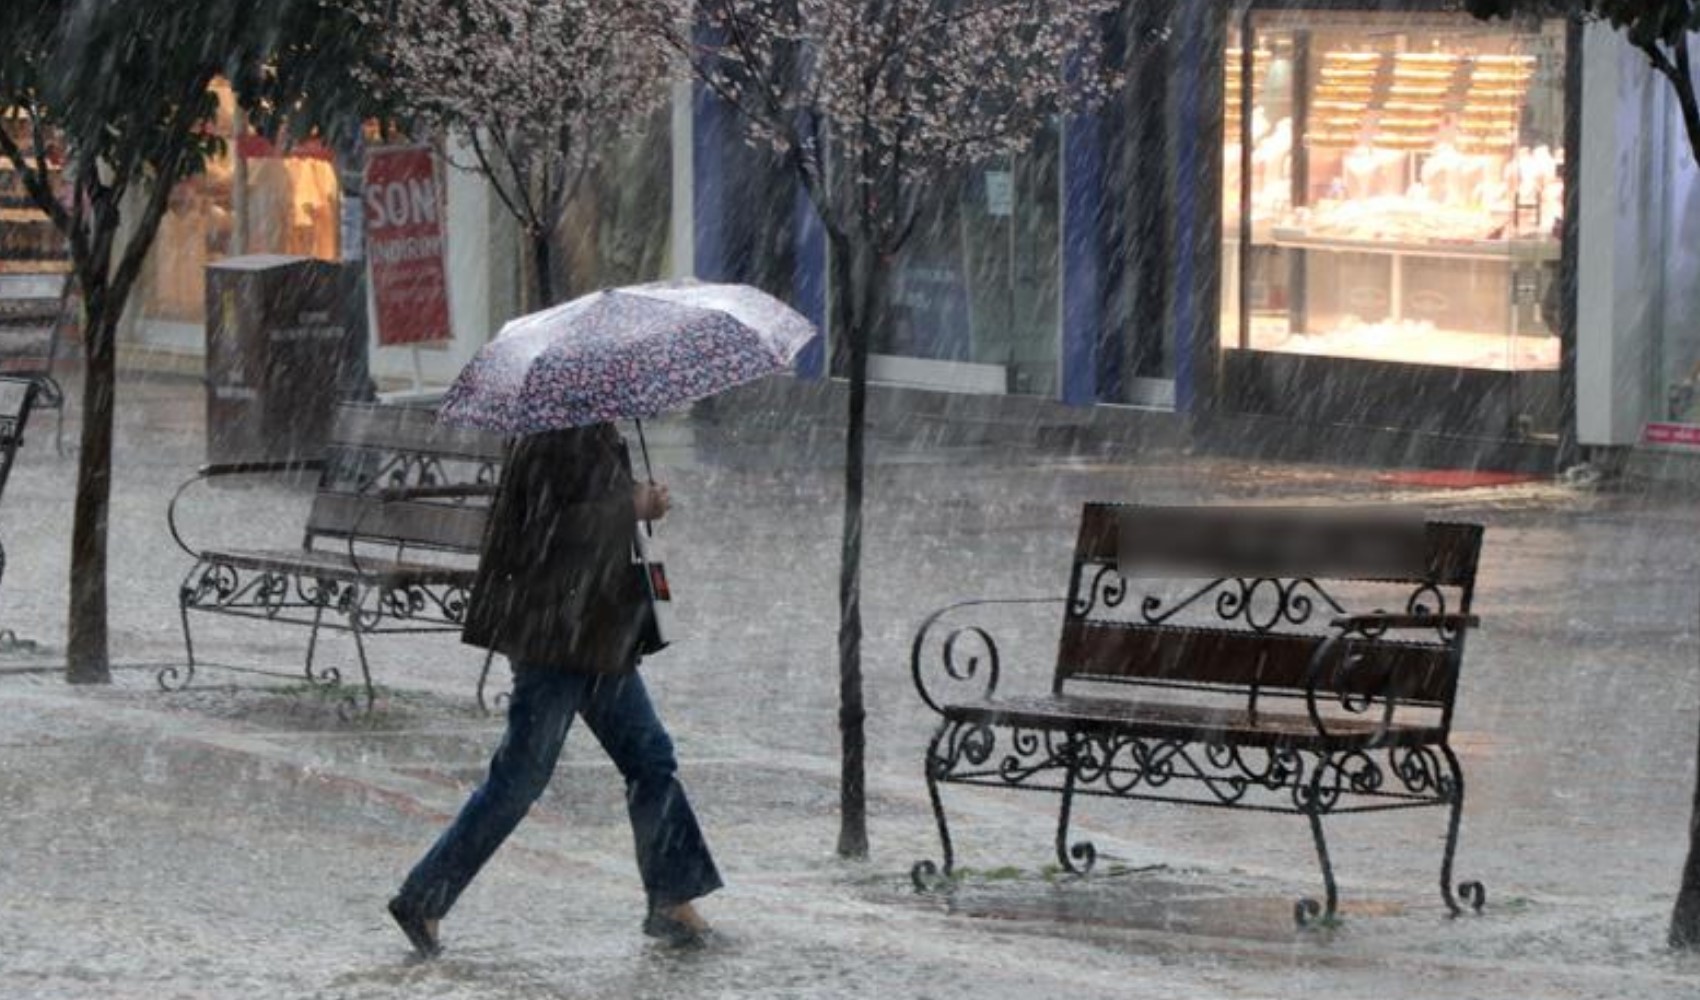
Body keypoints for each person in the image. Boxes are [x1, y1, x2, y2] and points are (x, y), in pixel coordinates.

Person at [387, 422, 721, 957]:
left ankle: (672, 901)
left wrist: (634, 503)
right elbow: (550, 529)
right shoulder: (553, 434)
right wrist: (631, 505)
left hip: (595, 637)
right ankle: (423, 897)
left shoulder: (586, 428)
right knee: (520, 779)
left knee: (650, 759)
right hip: (556, 639)